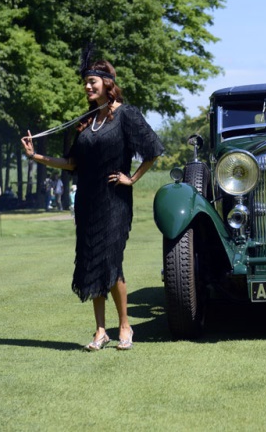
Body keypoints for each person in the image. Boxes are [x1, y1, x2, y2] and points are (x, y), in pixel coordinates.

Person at [21, 57, 164, 351]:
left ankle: (125, 325)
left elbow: (152, 150)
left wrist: (133, 178)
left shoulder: (126, 115)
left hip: (115, 201)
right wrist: (36, 157)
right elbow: (72, 163)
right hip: (88, 201)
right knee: (92, 261)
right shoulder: (87, 121)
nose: (87, 86)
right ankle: (100, 331)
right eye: (85, 82)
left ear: (107, 84)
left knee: (110, 260)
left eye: (92, 82)